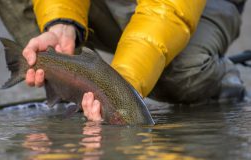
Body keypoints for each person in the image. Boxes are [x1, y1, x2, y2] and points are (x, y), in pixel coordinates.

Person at [22, 0, 247, 121]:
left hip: (192, 6)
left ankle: (219, 76)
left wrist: (119, 87)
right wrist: (61, 23)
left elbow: (166, 10)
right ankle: (72, 85)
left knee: (181, 73)